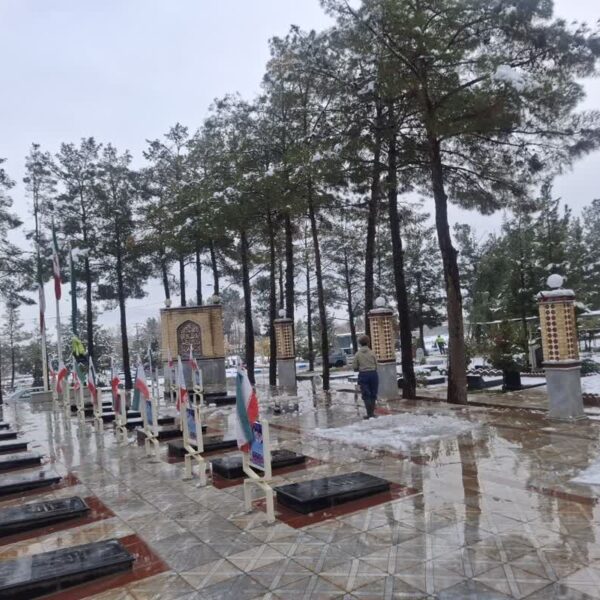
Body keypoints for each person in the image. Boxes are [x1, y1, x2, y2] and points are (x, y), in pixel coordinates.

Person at [352, 335, 379, 419]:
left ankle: (369, 413)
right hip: (373, 374)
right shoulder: (372, 353)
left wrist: (360, 368)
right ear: (368, 342)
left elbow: (354, 367)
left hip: (363, 375)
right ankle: (372, 413)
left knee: (366, 394)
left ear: (360, 343)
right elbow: (376, 365)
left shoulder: (357, 354)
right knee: (373, 393)